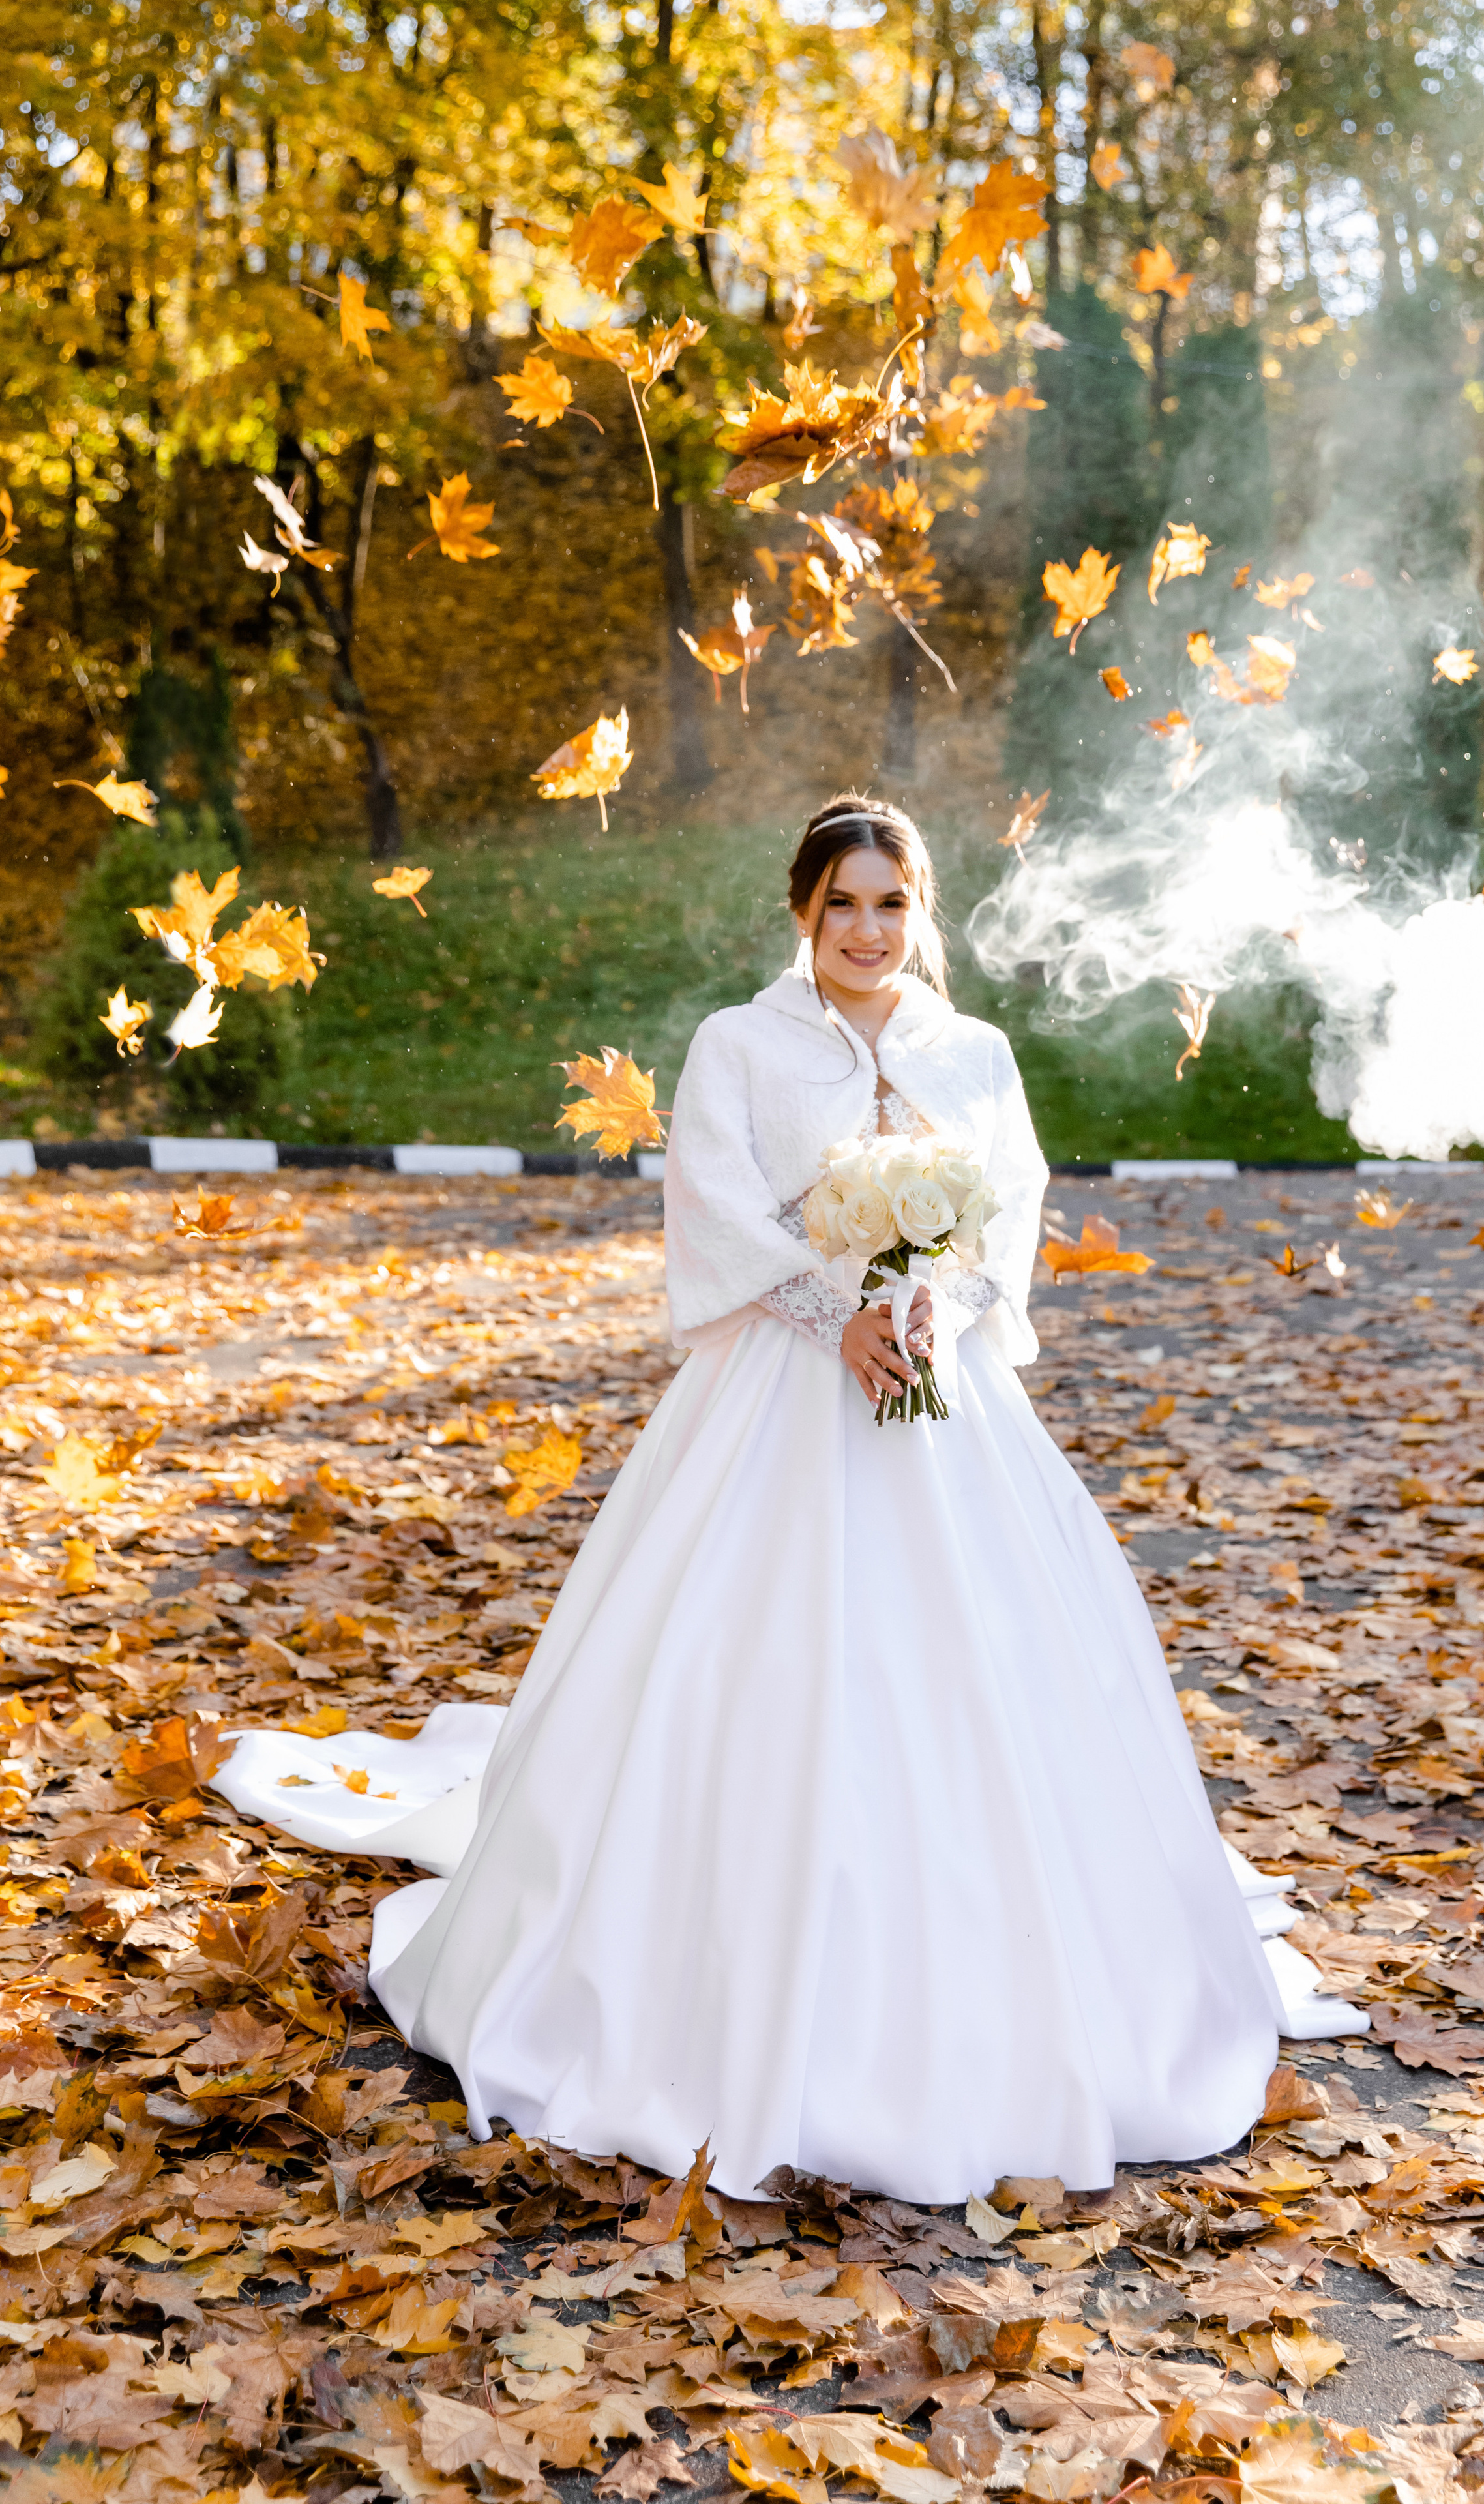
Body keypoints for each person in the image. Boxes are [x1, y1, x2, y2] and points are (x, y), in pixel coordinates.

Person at [213, 794, 1362, 2202]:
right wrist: (839, 1314)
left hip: (941, 1400)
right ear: (801, 914)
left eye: (891, 904)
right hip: (777, 1388)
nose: (867, 933)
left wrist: (936, 1308)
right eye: (841, 907)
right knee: (741, 1668)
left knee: (982, 1674)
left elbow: (1008, 1208)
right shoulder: (739, 1045)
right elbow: (713, 1209)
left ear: (919, 907)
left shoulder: (974, 1051)